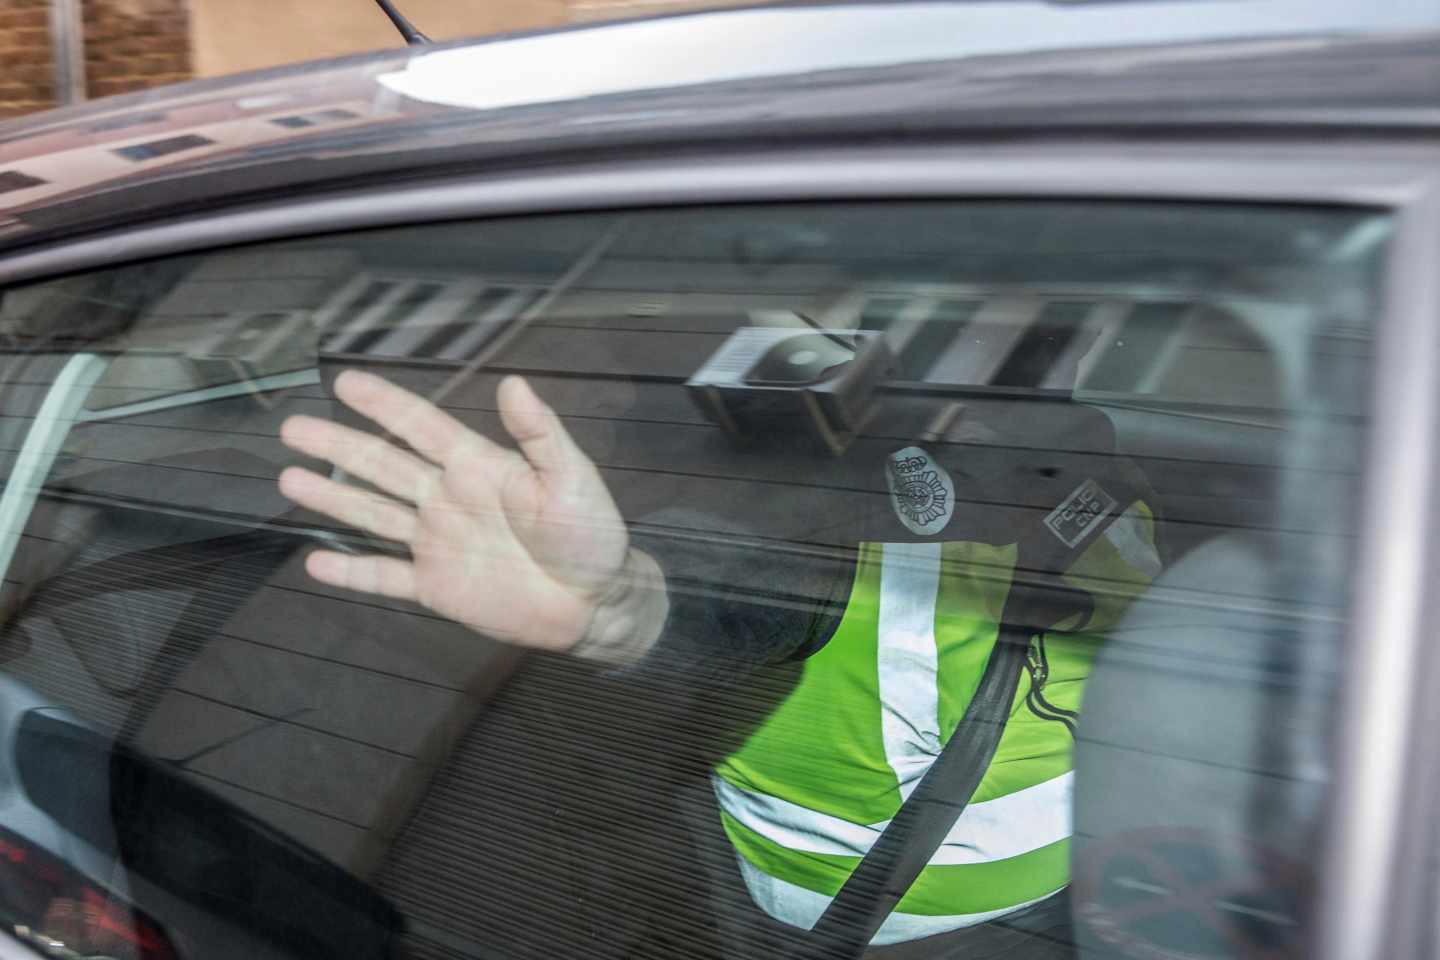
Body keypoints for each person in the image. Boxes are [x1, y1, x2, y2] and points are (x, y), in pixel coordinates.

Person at [277, 369, 1161, 957]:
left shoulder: (905, 521)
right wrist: (624, 606)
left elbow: (751, 588)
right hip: (996, 897)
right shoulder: (1097, 500)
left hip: (906, 896)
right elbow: (728, 597)